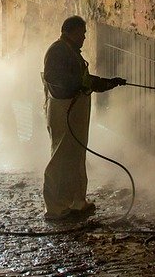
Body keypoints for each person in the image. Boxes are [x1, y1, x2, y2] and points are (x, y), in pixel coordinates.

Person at [40, 16, 125, 220]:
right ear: (70, 31)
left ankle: (78, 201)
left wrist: (108, 83)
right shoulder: (58, 50)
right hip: (64, 111)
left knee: (76, 156)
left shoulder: (69, 51)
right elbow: (55, 78)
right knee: (62, 158)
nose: (85, 37)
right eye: (82, 33)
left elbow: (84, 80)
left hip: (74, 111)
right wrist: (80, 84)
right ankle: (55, 208)